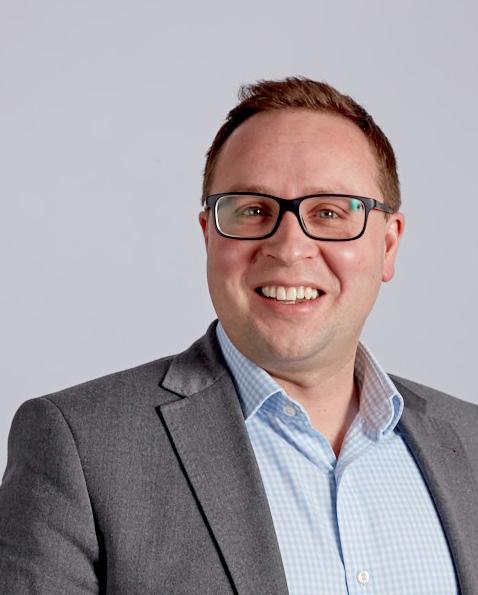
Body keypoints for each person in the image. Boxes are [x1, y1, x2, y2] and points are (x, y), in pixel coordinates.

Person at [0, 77, 477, 595]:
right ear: (208, 235)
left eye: (330, 212)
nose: (289, 247)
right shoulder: (81, 446)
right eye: (253, 210)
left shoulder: (469, 442)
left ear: (388, 245)